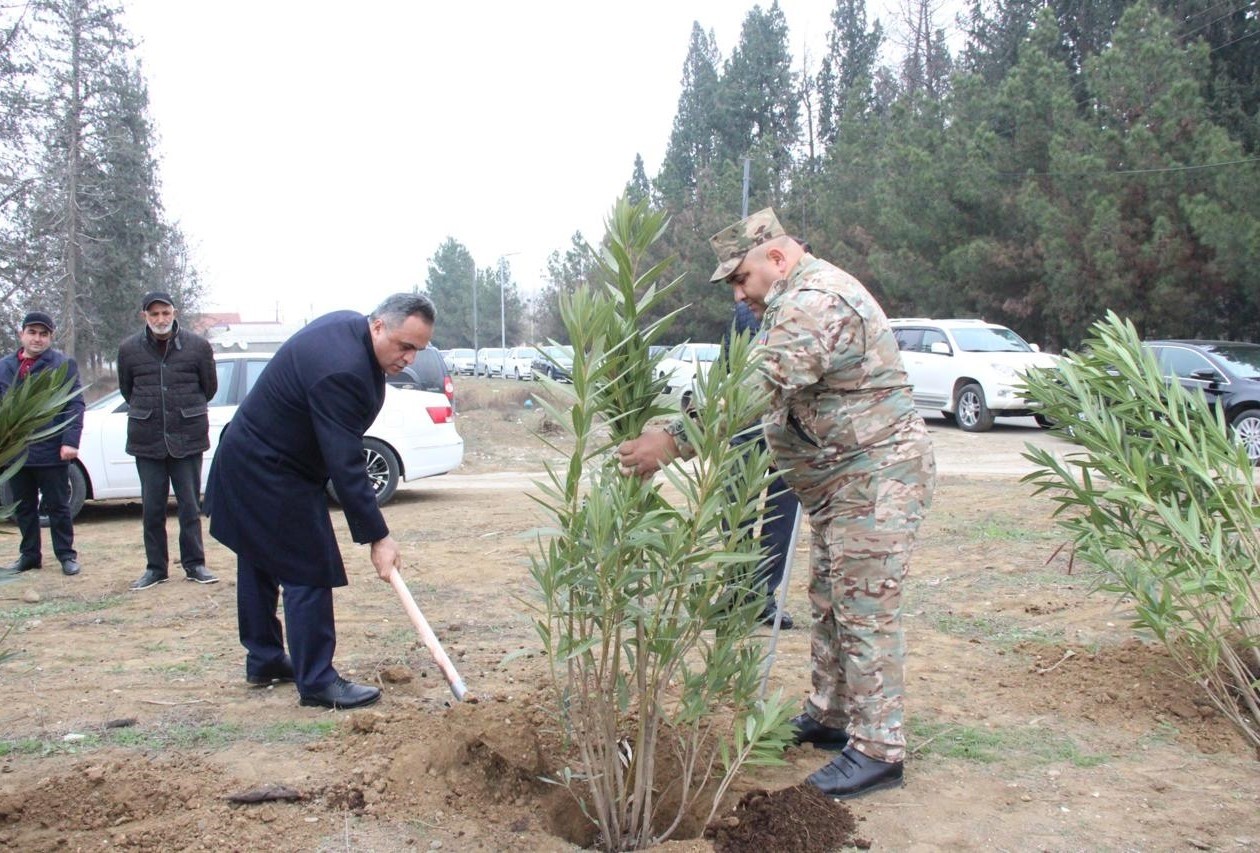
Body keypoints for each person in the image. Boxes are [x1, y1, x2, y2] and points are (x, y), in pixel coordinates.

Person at [618, 209, 935, 799]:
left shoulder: (815, 301)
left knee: (864, 608)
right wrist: (673, 421)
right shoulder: (789, 303)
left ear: (777, 259)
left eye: (740, 279)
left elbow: (758, 385)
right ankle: (831, 715)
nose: (739, 294)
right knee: (832, 598)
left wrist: (676, 441)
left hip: (876, 478)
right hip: (844, 483)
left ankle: (878, 747)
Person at [204, 293, 435, 711]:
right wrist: (377, 537)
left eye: (418, 350)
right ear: (379, 325)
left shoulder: (349, 327)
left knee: (260, 560)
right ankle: (317, 681)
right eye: (405, 346)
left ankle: (265, 659)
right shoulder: (342, 370)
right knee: (308, 568)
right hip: (269, 467)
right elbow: (345, 462)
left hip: (254, 455)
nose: (410, 359)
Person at [117, 292, 219, 590]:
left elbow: (208, 388)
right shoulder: (128, 349)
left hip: (187, 437)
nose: (160, 319)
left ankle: (195, 564)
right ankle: (155, 568)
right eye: (154, 314)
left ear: (174, 312)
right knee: (152, 508)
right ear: (144, 316)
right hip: (146, 439)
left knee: (189, 506)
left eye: (165, 313)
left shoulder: (198, 347)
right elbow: (127, 390)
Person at [726, 300, 801, 630]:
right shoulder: (747, 308)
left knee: (781, 516)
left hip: (788, 429)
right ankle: (736, 591)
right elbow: (730, 361)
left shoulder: (804, 309)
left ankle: (763, 597)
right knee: (735, 511)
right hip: (746, 426)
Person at [0, 312, 85, 577]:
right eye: (33, 332)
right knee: (23, 506)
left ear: (50, 337)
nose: (37, 338)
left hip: (50, 448)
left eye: (43, 334)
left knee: (58, 505)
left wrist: (70, 441)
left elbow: (74, 404)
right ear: (22, 334)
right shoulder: (4, 366)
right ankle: (29, 556)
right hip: (16, 451)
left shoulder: (62, 365)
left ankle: (66, 556)